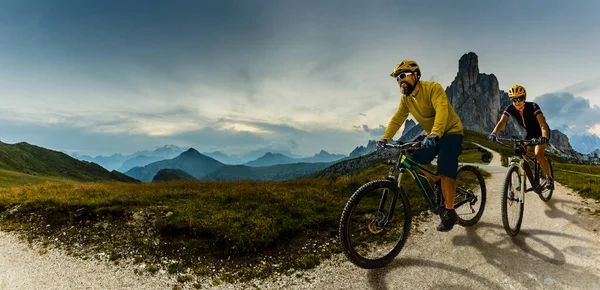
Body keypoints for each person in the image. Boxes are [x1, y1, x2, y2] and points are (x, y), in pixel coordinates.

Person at [377, 60, 465, 232]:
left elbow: (442, 110)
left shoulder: (433, 88)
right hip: (432, 134)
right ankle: (437, 180)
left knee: (446, 167)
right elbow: (397, 119)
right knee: (414, 159)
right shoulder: (406, 99)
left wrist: (435, 133)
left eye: (403, 76)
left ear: (416, 75)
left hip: (451, 131)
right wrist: (385, 138)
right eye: (397, 79)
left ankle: (450, 212)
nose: (400, 81)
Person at [489, 84, 554, 189]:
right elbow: (502, 122)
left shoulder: (533, 106)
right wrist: (494, 133)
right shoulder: (510, 108)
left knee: (538, 154)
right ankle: (522, 183)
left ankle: (549, 178)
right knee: (522, 155)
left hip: (541, 132)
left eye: (519, 98)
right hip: (529, 133)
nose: (517, 102)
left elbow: (543, 124)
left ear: (524, 98)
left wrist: (544, 136)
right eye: (513, 99)